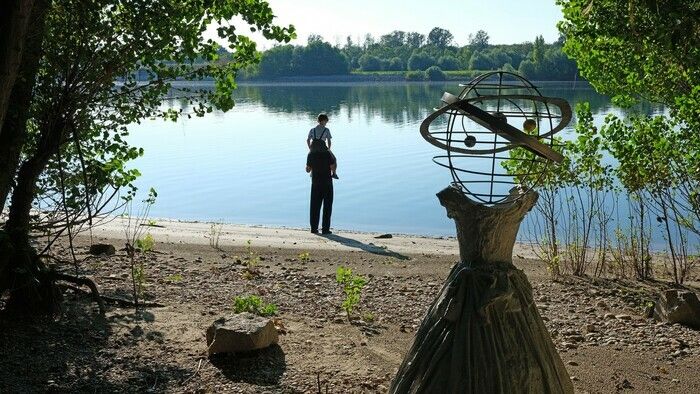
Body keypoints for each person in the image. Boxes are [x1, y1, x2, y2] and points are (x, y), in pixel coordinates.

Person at [306, 140, 336, 234]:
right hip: (327, 183)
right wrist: (333, 172)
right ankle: (325, 229)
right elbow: (333, 165)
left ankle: (314, 228)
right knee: (327, 206)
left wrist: (309, 167)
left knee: (314, 206)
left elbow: (308, 169)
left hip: (315, 183)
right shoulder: (327, 154)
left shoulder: (311, 154)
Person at [307, 113, 338, 179]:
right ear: (324, 121)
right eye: (326, 121)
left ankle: (311, 170)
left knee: (310, 156)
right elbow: (329, 141)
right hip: (322, 148)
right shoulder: (326, 130)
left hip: (313, 148)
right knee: (334, 159)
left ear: (318, 121)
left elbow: (308, 140)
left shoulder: (312, 130)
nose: (326, 123)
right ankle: (334, 173)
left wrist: (310, 148)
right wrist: (329, 149)